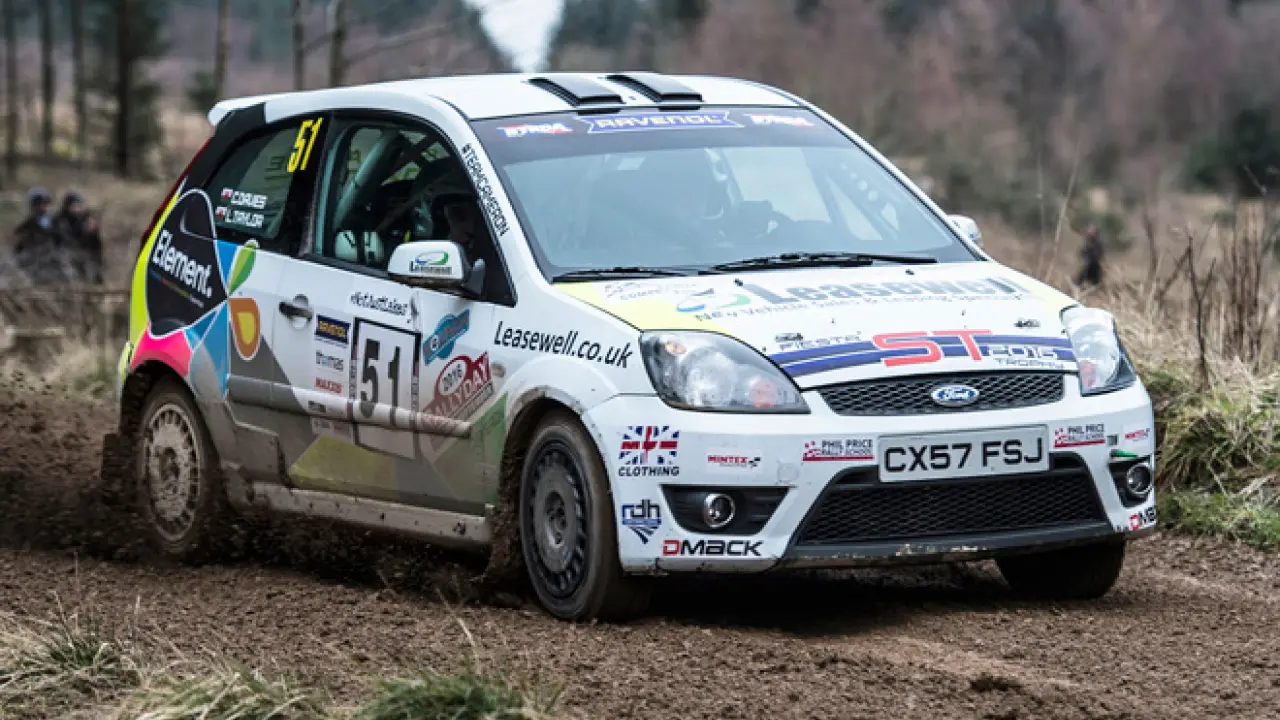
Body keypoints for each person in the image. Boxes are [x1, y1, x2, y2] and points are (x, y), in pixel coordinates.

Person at [53, 189, 105, 285]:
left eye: (78, 204)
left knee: (91, 271)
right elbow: (62, 239)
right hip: (67, 254)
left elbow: (96, 244)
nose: (76, 207)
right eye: (73, 205)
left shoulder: (87, 219)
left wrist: (93, 231)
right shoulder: (60, 220)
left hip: (86, 254)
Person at [1076, 223, 1105, 288]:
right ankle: (1078, 285)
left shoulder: (1098, 242)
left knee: (1095, 276)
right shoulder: (1087, 241)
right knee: (1083, 271)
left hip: (1095, 265)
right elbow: (1082, 252)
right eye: (1090, 230)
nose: (1090, 232)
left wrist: (1093, 255)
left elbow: (1100, 254)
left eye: (1092, 230)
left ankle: (1095, 286)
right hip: (1087, 264)